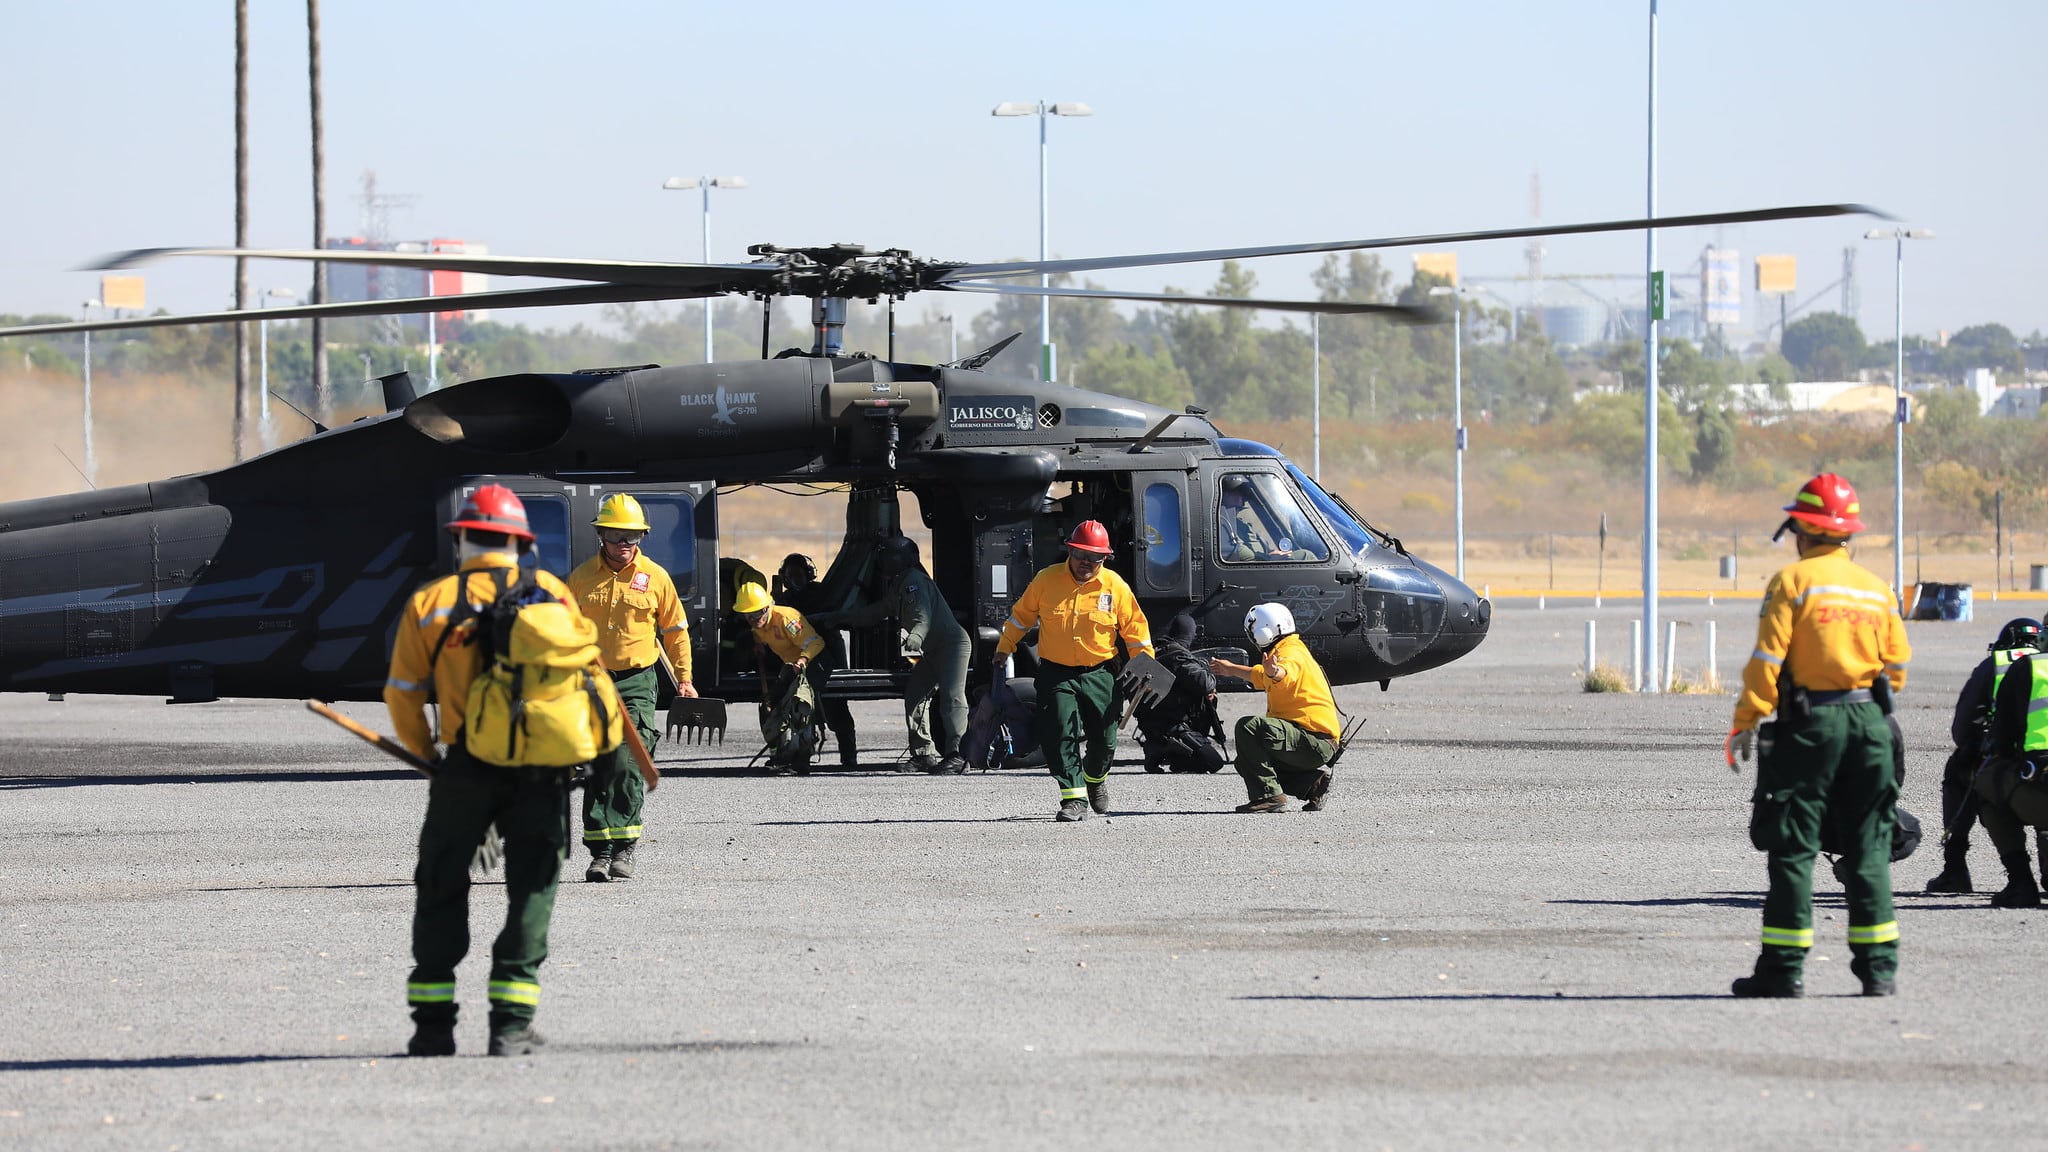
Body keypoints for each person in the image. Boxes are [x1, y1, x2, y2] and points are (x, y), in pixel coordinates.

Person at [384, 484, 586, 1057]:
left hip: (465, 768)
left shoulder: (433, 601)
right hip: (542, 770)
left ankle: (432, 1027)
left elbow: (401, 696)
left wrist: (428, 756)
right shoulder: (551, 592)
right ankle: (511, 1026)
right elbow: (585, 677)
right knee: (532, 889)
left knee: (442, 883)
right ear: (521, 542)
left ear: (463, 539)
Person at [1726, 473, 1911, 999]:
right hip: (1871, 724)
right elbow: (1896, 665)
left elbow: (1768, 661)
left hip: (1810, 726)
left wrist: (1746, 720)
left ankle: (1783, 972)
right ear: (1848, 533)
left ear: (1802, 529)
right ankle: (1879, 971)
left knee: (1793, 847)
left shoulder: (1793, 582)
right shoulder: (1877, 590)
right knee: (1870, 847)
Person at [566, 493, 696, 883]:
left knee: (628, 761)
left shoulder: (656, 578)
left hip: (638, 679)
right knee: (598, 762)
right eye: (618, 536)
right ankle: (600, 852)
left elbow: (675, 632)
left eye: (633, 536)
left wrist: (685, 679)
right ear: (602, 535)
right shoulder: (581, 578)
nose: (626, 544)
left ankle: (624, 847)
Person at [991, 520, 1153, 821]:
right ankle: (1073, 798)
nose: (1086, 563)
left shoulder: (1115, 586)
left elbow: (1136, 630)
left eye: (1095, 558)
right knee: (1058, 732)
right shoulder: (1046, 580)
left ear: (1105, 558)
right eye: (1081, 555)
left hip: (1101, 672)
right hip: (1057, 673)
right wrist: (1005, 647)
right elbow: (1020, 617)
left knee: (1105, 738)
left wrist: (1144, 663)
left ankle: (1095, 778)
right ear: (1070, 550)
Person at [811, 537, 970, 773]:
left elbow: (922, 616)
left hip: (952, 647)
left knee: (952, 699)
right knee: (915, 695)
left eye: (887, 556)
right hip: (934, 650)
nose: (883, 561)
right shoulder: (900, 584)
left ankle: (959, 755)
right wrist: (838, 617)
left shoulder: (914, 582)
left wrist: (915, 637)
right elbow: (876, 612)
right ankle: (923, 755)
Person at [1926, 617, 2044, 894]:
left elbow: (1964, 728)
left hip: (2025, 769)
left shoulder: (2000, 663)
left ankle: (1956, 868)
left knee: (1966, 775)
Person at [1209, 603, 1340, 812]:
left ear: (1262, 632)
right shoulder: (1291, 648)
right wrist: (1231, 669)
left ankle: (1268, 796)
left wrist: (1274, 672)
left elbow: (1283, 673)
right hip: (1315, 740)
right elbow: (1261, 676)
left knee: (1248, 727)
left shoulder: (1289, 654)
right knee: (1247, 762)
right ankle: (1314, 785)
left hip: (1313, 740)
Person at [1971, 644, 2048, 908]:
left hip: (2040, 789)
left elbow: (2002, 740)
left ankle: (2021, 883)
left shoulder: (2031, 668)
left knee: (1987, 781)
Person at [736, 581, 830, 773]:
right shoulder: (758, 624)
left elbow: (816, 643)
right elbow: (760, 634)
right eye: (748, 616)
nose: (753, 620)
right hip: (790, 666)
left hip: (813, 662)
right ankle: (781, 755)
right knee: (772, 707)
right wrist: (758, 645)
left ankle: (802, 759)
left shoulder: (787, 618)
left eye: (757, 613)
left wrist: (803, 660)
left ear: (767, 607)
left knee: (799, 707)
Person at [776, 553, 859, 769]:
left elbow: (834, 616)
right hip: (802, 655)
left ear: (808, 575)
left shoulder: (822, 593)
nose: (796, 580)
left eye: (799, 575)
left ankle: (849, 755)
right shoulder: (784, 601)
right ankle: (801, 754)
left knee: (836, 705)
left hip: (828, 651)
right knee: (801, 705)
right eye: (791, 575)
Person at [1133, 613, 1226, 774]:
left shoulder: (1154, 652)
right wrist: (1209, 673)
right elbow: (1205, 684)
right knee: (1214, 763)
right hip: (1176, 726)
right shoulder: (1177, 655)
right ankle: (1175, 755)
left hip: (1152, 726)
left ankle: (1159, 749)